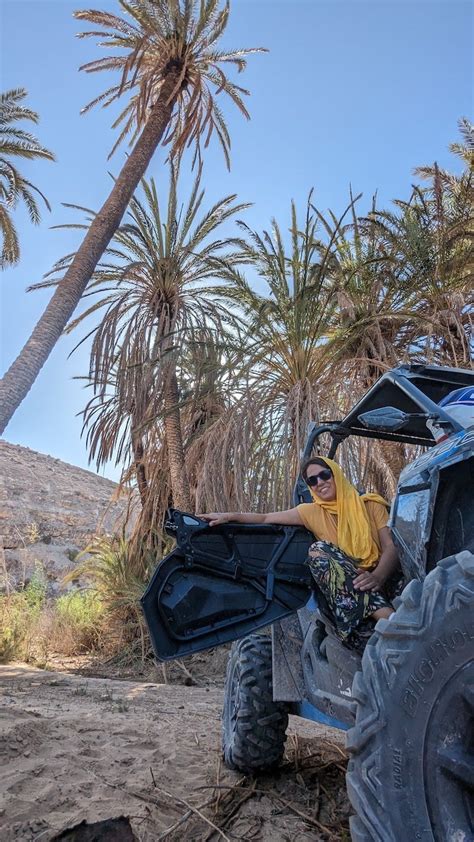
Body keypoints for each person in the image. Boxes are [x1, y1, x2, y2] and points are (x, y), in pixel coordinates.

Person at [200, 456, 401, 650]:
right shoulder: (310, 512)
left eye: (324, 475)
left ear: (336, 474)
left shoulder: (371, 504)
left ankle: (397, 620)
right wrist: (228, 516)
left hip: (382, 576)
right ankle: (389, 619)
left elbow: (390, 546)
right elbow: (265, 518)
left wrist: (377, 576)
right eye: (312, 480)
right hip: (348, 587)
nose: (320, 482)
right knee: (318, 551)